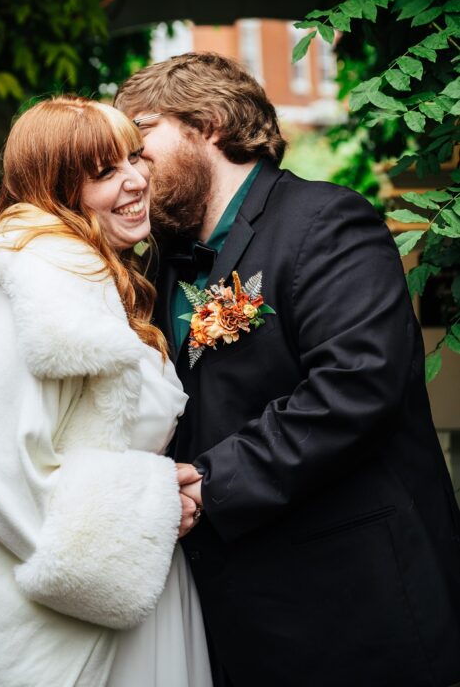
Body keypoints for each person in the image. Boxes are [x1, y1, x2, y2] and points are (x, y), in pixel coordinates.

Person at [116, 51, 460, 687]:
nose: (130, 172)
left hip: (354, 600)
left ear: (210, 123)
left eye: (139, 142)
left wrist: (208, 483)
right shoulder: (158, 264)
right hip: (236, 610)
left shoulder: (326, 221)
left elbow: (356, 388)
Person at [0, 96, 213, 687]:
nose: (135, 181)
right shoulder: (41, 289)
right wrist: (146, 508)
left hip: (135, 589)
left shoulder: (86, 279)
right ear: (56, 191)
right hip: (76, 622)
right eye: (104, 173)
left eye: (133, 158)